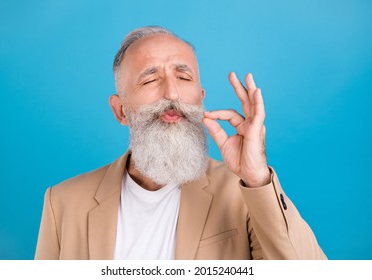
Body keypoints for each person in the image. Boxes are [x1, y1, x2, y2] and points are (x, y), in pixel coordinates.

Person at [35, 26, 326, 260]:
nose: (172, 93)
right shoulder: (62, 203)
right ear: (120, 110)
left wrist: (257, 178)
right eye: (150, 80)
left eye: (183, 77)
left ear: (200, 98)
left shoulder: (244, 193)